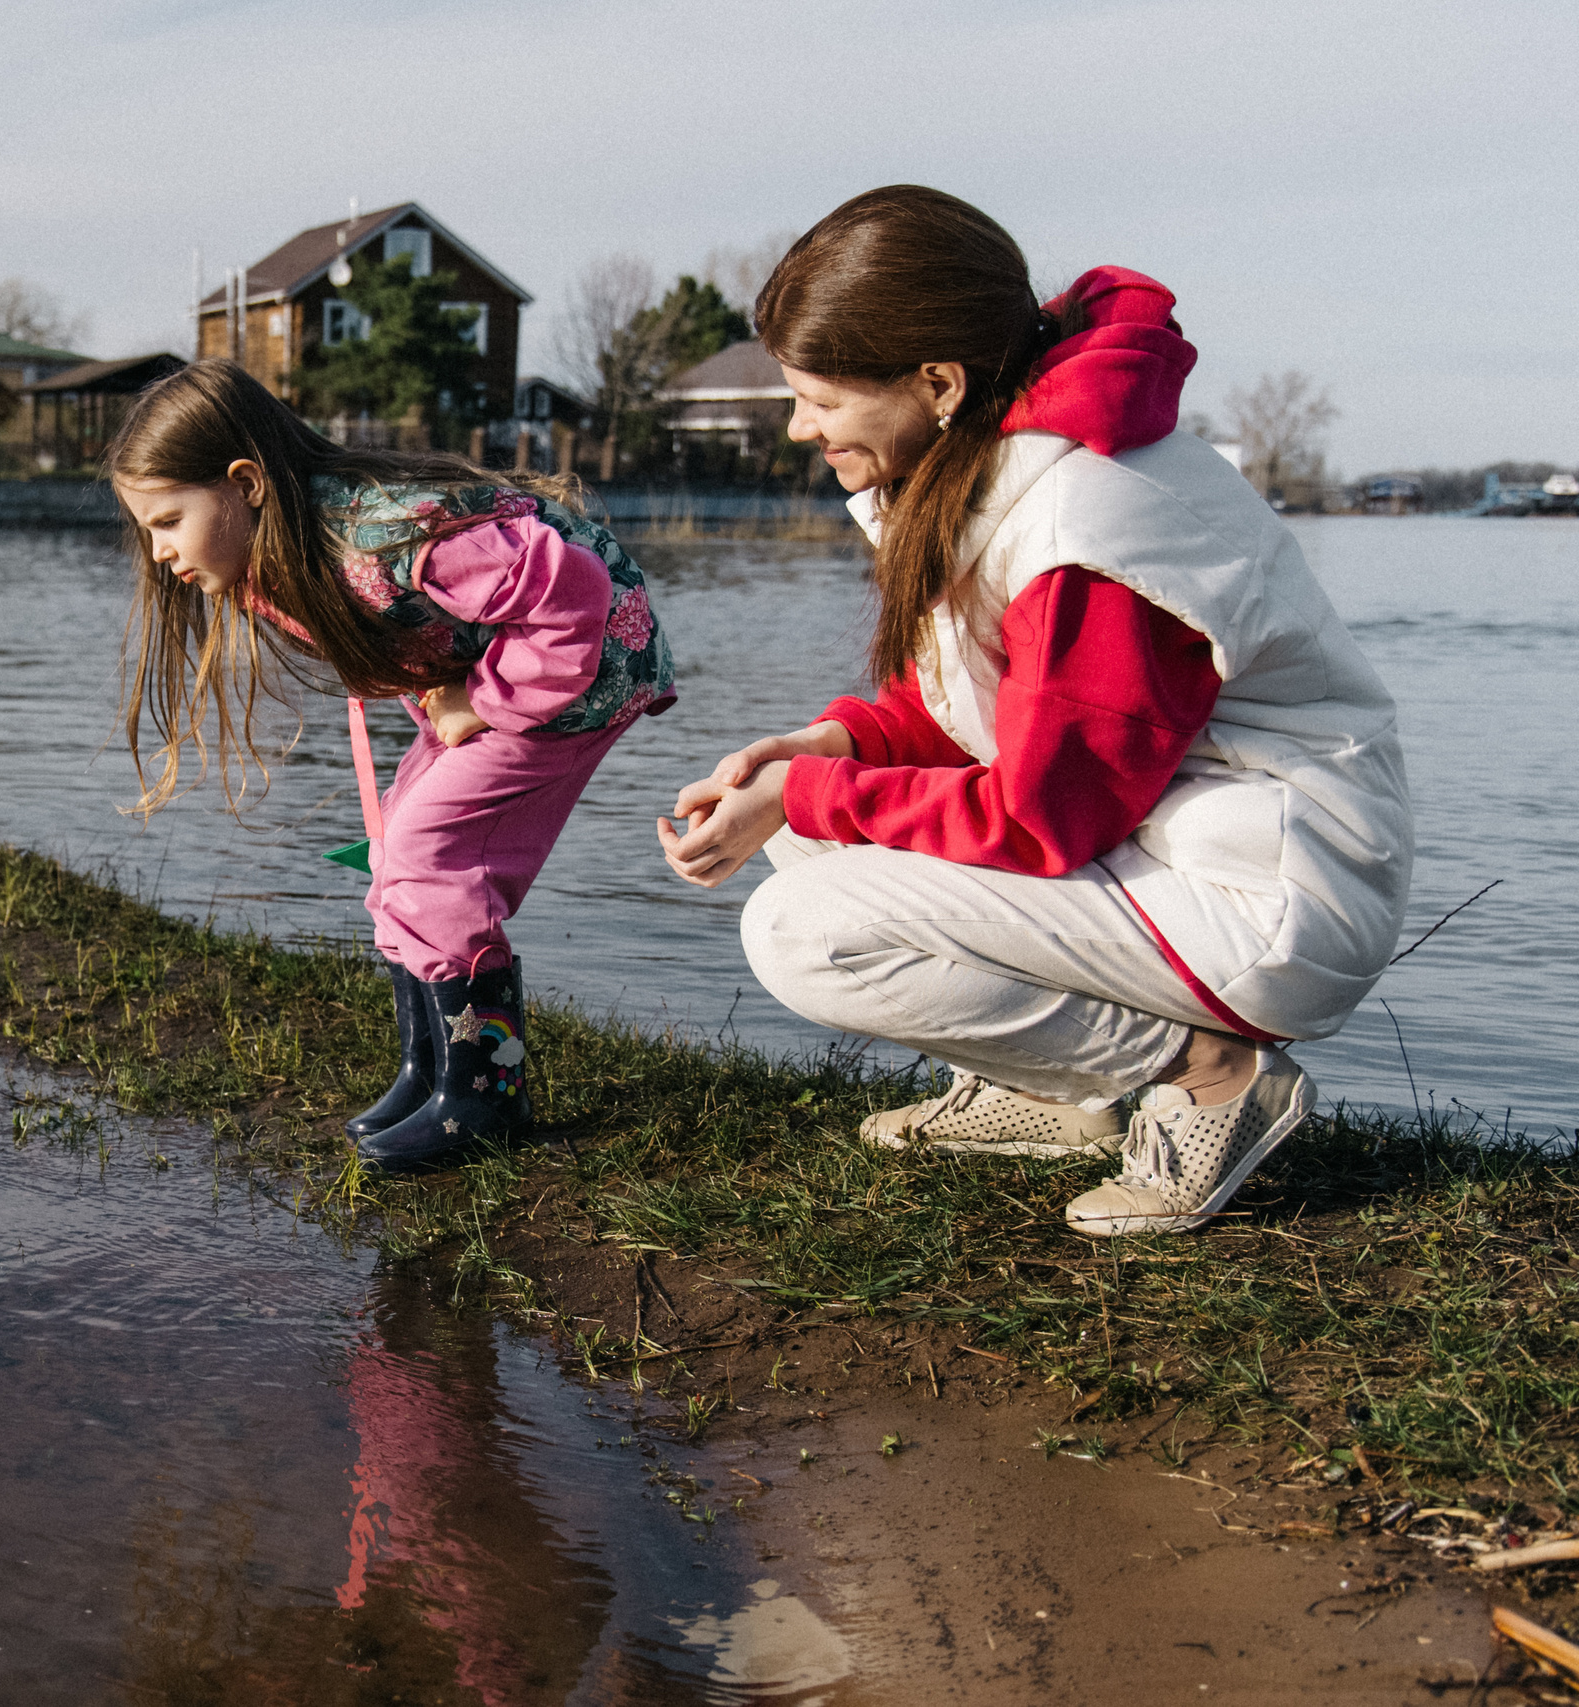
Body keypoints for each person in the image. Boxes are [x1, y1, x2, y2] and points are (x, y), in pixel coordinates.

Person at [657, 186, 1411, 1238]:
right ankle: (1063, 1093)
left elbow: (1047, 819)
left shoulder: (1083, 520)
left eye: (821, 401)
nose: (798, 429)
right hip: (1170, 846)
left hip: (1265, 892)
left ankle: (1211, 1076)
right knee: (803, 844)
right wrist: (828, 749)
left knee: (804, 932)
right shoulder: (1000, 466)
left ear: (936, 383)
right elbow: (973, 707)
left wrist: (817, 791)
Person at [106, 360, 674, 1169]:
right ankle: (433, 1071)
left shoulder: (387, 537)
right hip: (512, 677)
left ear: (245, 483)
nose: (159, 551)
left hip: (580, 671)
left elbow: (573, 590)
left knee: (432, 856)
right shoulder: (284, 549)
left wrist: (483, 702)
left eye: (167, 520)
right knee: (394, 850)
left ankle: (485, 1099)